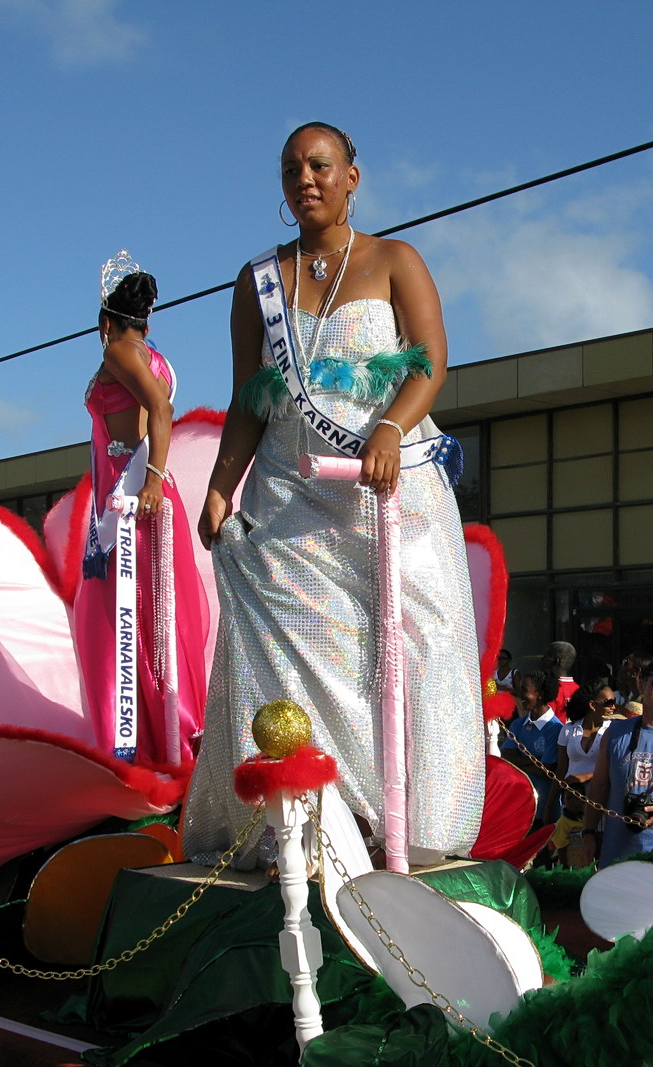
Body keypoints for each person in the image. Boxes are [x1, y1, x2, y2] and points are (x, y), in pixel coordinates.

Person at [180, 122, 482, 867]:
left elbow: (431, 364)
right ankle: (308, 821)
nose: (304, 179)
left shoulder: (393, 259)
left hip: (389, 493)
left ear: (353, 175)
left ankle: (409, 824)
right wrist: (221, 484)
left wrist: (389, 428)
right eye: (290, 169)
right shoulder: (258, 280)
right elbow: (248, 397)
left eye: (320, 165)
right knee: (292, 644)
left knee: (411, 645)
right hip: (290, 489)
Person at [73, 255, 210, 769]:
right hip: (144, 494)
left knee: (125, 616)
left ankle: (143, 742)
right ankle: (167, 732)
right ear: (147, 321)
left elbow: (160, 408)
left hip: (133, 497)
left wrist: (150, 477)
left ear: (105, 320)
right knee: (157, 612)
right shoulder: (154, 355)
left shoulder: (117, 352)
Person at [587, 656, 653, 867]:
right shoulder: (614, 733)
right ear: (642, 684)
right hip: (617, 855)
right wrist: (588, 832)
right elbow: (599, 786)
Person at [552, 682, 614, 866]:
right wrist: (550, 805)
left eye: (614, 702)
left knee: (597, 845)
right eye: (608, 702)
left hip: (599, 799)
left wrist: (587, 776)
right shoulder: (569, 729)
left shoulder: (612, 731)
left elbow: (614, 768)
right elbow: (561, 768)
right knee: (569, 850)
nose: (613, 707)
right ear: (592, 704)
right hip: (571, 801)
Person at [503, 670, 562, 824]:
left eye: (524, 690)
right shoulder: (518, 724)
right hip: (518, 807)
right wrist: (536, 760)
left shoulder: (555, 729)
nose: (520, 695)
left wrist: (519, 762)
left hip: (543, 810)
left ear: (540, 694)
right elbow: (506, 757)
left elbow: (547, 770)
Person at [543, 641, 580, 722]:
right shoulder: (578, 688)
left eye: (548, 656)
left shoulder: (551, 689)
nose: (543, 658)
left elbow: (545, 719)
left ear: (556, 661)